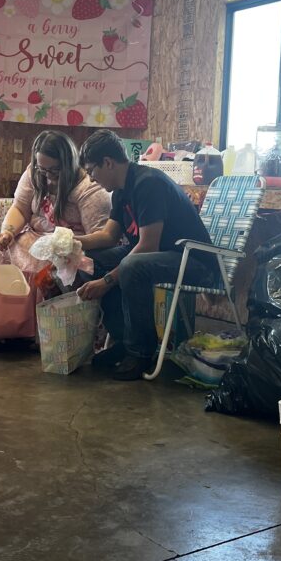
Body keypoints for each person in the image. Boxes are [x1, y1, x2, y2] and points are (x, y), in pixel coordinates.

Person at [76, 130, 216, 381]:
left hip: (194, 262)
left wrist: (106, 281)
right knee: (92, 259)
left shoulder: (148, 183)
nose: (91, 179)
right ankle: (123, 342)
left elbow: (148, 245)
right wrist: (70, 242)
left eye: (91, 171)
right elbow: (108, 236)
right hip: (163, 258)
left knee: (131, 265)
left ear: (108, 163)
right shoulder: (120, 190)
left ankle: (140, 352)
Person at [0, 130, 111, 271]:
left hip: (70, 249)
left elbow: (101, 238)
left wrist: (65, 244)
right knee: (3, 252)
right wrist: (8, 233)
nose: (48, 176)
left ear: (69, 165)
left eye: (55, 170)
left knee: (45, 265)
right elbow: (20, 208)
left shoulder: (89, 189)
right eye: (43, 170)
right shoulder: (34, 173)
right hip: (34, 239)